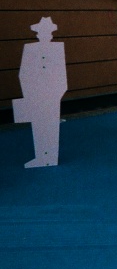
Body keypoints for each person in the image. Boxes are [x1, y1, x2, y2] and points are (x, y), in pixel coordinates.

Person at [13, 17, 67, 168]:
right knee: (38, 126)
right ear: (37, 33)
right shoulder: (30, 49)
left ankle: (50, 156)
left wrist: (57, 94)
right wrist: (30, 94)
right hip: (35, 94)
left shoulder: (57, 48)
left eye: (47, 31)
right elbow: (24, 74)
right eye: (41, 32)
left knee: (51, 125)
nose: (44, 34)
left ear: (51, 33)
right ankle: (41, 156)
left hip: (52, 94)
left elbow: (61, 74)